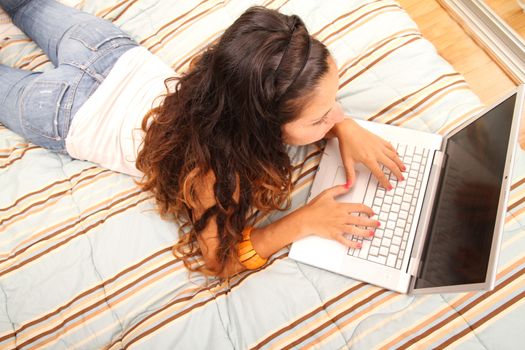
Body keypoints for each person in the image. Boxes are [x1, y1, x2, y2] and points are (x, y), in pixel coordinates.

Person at [0, 0, 406, 280]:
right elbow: (219, 259)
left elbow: (305, 103)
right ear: (261, 123)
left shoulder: (227, 84)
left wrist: (345, 127)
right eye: (321, 117)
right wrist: (300, 222)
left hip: (109, 51)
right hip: (66, 111)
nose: (336, 116)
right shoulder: (210, 174)